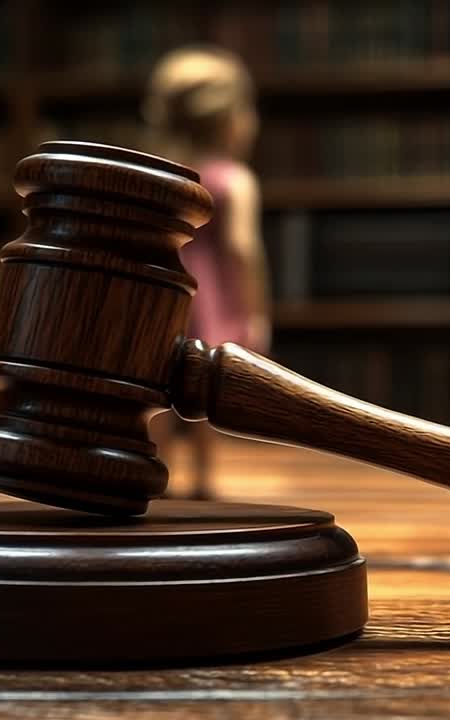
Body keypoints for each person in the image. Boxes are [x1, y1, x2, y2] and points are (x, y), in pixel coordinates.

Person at [142, 45, 271, 499]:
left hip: (163, 294)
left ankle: (154, 474)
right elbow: (241, 248)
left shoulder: (162, 175)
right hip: (212, 297)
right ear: (231, 117)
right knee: (204, 391)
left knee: (156, 392)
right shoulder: (235, 179)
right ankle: (203, 480)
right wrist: (255, 309)